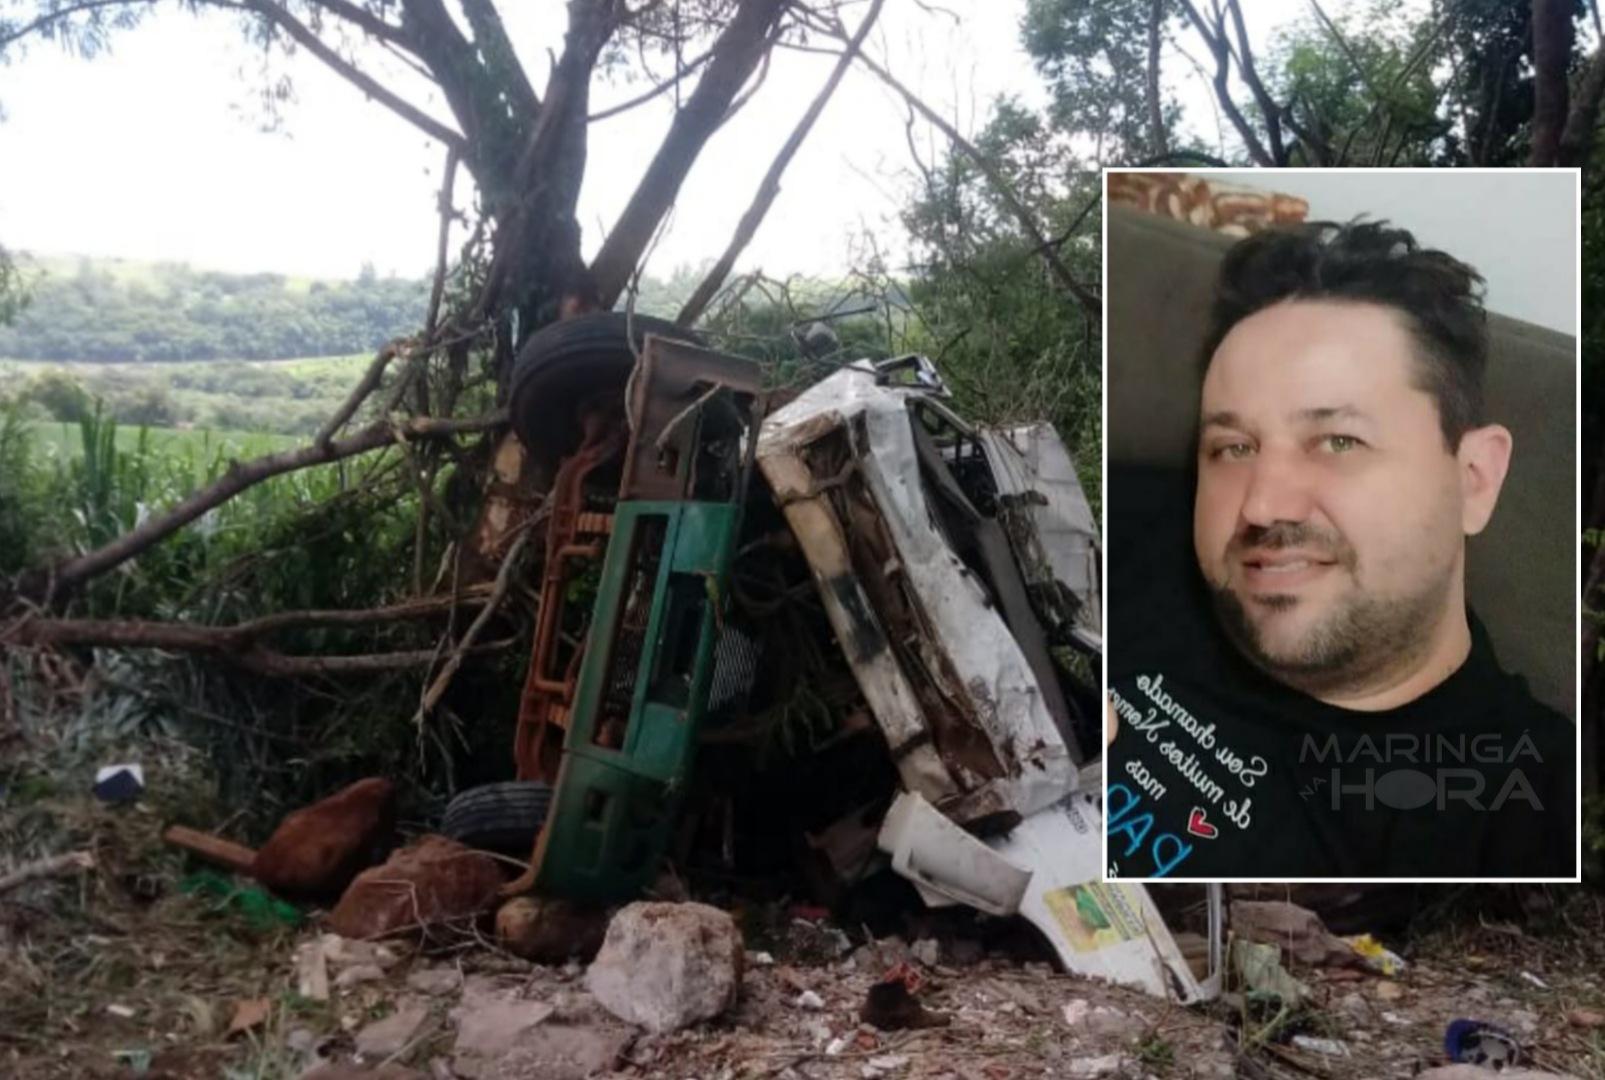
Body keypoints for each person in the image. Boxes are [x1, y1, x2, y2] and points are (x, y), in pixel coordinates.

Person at [1104, 220, 1575, 879]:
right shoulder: (1108, 530)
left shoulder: (1536, 816)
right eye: (1233, 448)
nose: (1262, 505)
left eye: (1337, 441)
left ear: (1474, 479)